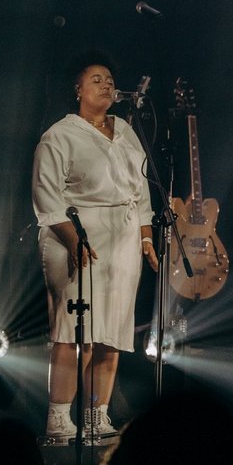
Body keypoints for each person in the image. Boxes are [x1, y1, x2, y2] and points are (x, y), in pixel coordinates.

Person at [32, 50, 158, 440]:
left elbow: (142, 191)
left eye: (108, 79)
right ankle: (58, 417)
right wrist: (73, 240)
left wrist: (146, 236)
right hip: (75, 233)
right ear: (78, 89)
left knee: (112, 331)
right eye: (96, 79)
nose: (105, 84)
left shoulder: (125, 129)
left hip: (122, 239)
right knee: (75, 329)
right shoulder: (60, 135)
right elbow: (46, 196)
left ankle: (96, 415)